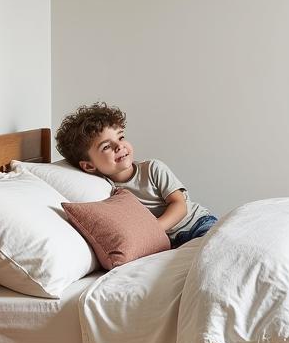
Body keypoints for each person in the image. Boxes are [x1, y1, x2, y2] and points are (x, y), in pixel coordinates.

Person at [54, 102, 217, 246]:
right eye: (106, 147)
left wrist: (153, 229)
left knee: (213, 248)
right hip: (169, 241)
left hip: (196, 223)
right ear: (89, 166)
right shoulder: (107, 190)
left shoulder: (153, 168)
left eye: (121, 137)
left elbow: (179, 205)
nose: (119, 146)